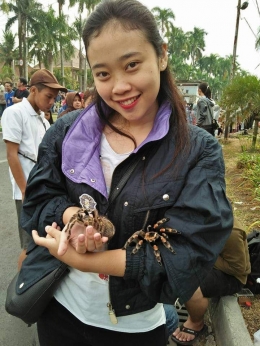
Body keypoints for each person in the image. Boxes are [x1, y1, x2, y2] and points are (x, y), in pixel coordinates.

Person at [20, 1, 233, 345]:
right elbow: (39, 201)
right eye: (103, 74)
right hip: (59, 311)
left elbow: (188, 253)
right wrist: (74, 217)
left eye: (132, 65)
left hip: (133, 327)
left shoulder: (198, 151)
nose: (118, 86)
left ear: (161, 56)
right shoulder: (66, 132)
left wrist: (88, 260)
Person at [2, 68, 67, 270]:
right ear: (33, 90)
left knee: (41, 241)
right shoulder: (15, 113)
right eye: (48, 96)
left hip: (44, 190)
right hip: (28, 191)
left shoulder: (43, 119)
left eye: (54, 98)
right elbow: (12, 154)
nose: (51, 102)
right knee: (28, 245)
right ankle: (20, 296)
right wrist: (24, 189)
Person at [171, 215, 250, 345]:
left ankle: (196, 323)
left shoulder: (231, 232)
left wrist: (205, 254)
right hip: (213, 262)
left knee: (190, 286)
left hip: (232, 276)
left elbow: (238, 269)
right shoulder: (205, 221)